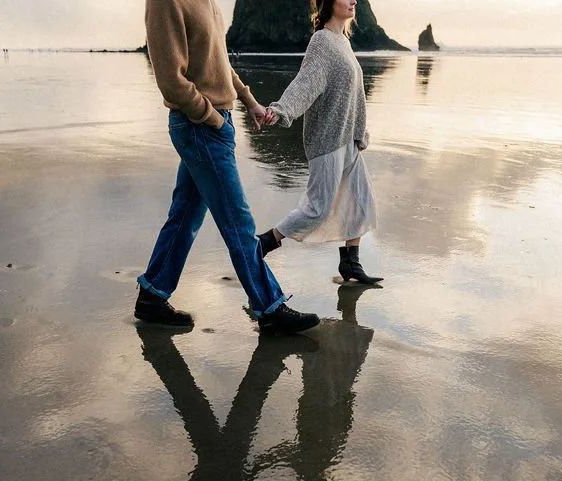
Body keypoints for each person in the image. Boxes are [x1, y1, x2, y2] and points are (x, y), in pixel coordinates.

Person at [136, 0, 320, 334]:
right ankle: (270, 307)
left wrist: (249, 102)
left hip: (215, 124)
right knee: (238, 222)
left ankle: (152, 294)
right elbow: (170, 80)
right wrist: (211, 120)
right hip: (200, 126)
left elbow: (219, 64)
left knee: (186, 215)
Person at [258, 0, 384, 285]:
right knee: (318, 208)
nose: (353, 0)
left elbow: (357, 94)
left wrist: (361, 133)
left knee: (362, 202)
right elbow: (306, 83)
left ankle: (350, 263)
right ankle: (264, 243)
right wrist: (280, 111)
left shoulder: (343, 42)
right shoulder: (322, 41)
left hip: (348, 140)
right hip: (327, 140)